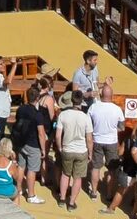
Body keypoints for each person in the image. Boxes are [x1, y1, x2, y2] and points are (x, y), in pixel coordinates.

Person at [52, 82, 91, 210]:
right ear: (81, 102)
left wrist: (60, 147)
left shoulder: (63, 115)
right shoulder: (85, 117)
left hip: (67, 148)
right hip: (81, 150)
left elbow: (58, 135)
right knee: (77, 178)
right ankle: (72, 202)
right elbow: (89, 138)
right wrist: (90, 152)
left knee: (65, 174)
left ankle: (62, 199)